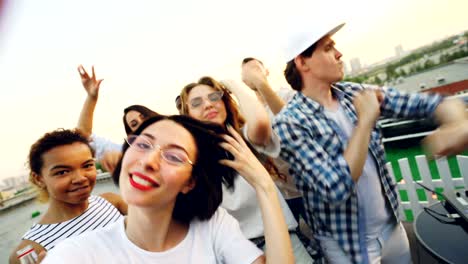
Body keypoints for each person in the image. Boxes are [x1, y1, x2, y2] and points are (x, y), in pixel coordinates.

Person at [273, 20, 468, 264]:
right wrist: (365, 121)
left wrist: (459, 123)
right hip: (347, 245)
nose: (339, 53)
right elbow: (336, 188)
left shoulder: (355, 93)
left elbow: (428, 104)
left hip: (392, 229)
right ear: (302, 62)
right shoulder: (289, 123)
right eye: (327, 48)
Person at [42, 115, 294, 263]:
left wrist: (264, 186)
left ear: (190, 182)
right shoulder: (76, 255)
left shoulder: (211, 227)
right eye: (142, 144)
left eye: (173, 157)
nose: (148, 161)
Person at [178, 77, 312, 263]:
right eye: (196, 103)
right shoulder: (191, 160)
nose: (208, 105)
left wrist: (232, 84)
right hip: (237, 253)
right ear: (188, 115)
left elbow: (260, 121)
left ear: (225, 102)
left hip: (283, 240)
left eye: (214, 97)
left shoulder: (244, 139)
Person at [9, 129, 126, 264]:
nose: (80, 178)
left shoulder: (112, 202)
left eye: (87, 165)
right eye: (63, 172)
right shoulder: (31, 251)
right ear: (39, 179)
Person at [241, 57, 304, 222]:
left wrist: (261, 84)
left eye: (256, 69)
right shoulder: (251, 113)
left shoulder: (288, 95)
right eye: (248, 73)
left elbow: (292, 120)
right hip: (282, 193)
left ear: (266, 71)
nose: (253, 75)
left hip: (307, 187)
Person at [76, 65, 158, 172]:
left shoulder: (181, 134)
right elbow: (83, 135)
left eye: (144, 117)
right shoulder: (127, 155)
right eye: (134, 124)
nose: (142, 123)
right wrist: (91, 98)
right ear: (132, 135)